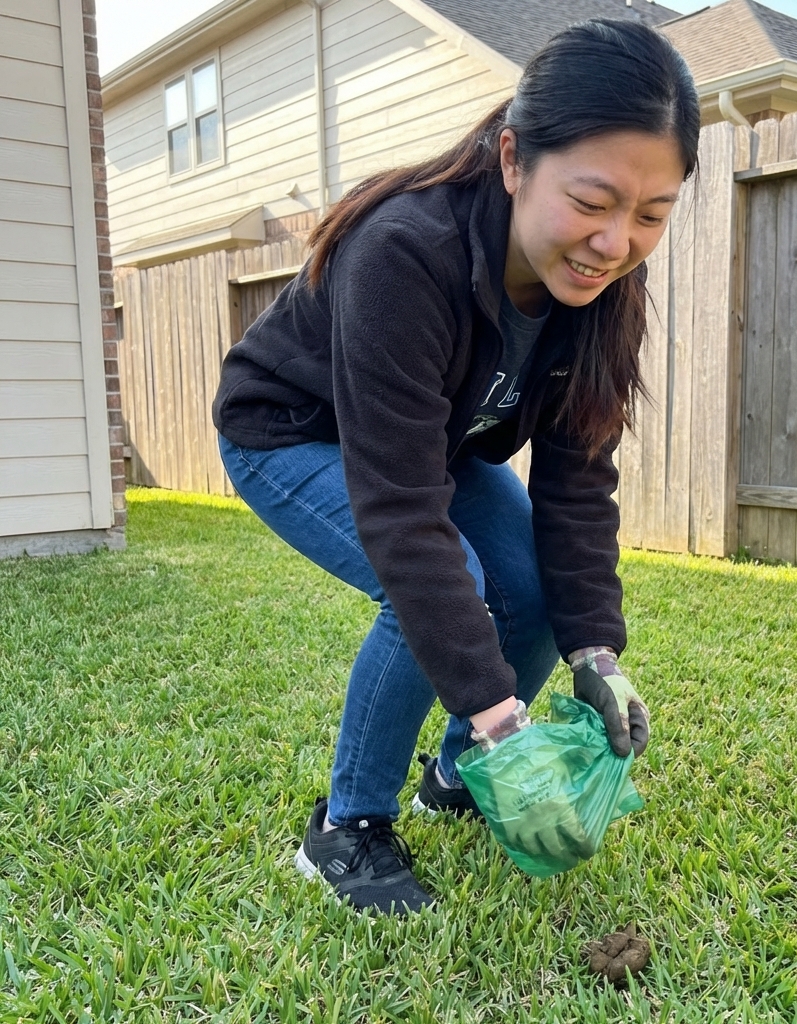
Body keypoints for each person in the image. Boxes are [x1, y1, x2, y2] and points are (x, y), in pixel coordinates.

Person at [212, 18, 700, 915]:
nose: (616, 241)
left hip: (426, 444)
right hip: (289, 429)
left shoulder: (602, 289)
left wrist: (597, 653)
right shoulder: (406, 250)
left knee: (542, 585)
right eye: (592, 203)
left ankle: (457, 777)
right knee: (443, 587)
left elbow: (577, 483)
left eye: (652, 215)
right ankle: (348, 827)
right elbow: (404, 514)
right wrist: (503, 716)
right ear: (515, 159)